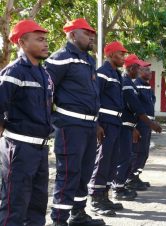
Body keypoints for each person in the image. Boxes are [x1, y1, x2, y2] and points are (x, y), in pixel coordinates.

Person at [45, 18, 104, 226]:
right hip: (70, 126)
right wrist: (52, 121)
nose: (91, 37)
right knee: (68, 173)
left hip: (88, 126)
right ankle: (58, 220)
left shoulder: (88, 60)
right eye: (86, 33)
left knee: (84, 173)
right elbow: (46, 91)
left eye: (92, 34)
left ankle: (78, 214)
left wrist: (96, 123)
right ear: (72, 35)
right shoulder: (60, 58)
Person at [0, 19, 53, 226]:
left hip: (40, 149)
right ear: (22, 43)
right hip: (19, 150)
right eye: (40, 39)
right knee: (15, 205)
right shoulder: (14, 72)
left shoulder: (44, 74)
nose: (46, 43)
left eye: (46, 39)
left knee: (37, 206)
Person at [112, 54, 161, 199]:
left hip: (141, 124)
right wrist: (137, 127)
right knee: (131, 155)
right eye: (142, 68)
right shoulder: (129, 83)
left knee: (141, 154)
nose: (145, 72)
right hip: (137, 125)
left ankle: (132, 178)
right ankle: (125, 182)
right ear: (134, 68)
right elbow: (135, 107)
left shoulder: (135, 84)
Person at [88, 41, 127, 217]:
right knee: (102, 161)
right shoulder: (102, 73)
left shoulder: (117, 74)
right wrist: (96, 124)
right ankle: (95, 199)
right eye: (121, 54)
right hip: (105, 123)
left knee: (111, 161)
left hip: (115, 123)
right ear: (110, 55)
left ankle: (104, 196)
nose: (123, 58)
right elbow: (94, 99)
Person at [126, 62, 162, 190]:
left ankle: (136, 176)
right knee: (136, 152)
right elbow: (133, 108)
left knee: (144, 153)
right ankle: (130, 179)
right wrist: (134, 128)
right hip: (140, 124)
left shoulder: (148, 87)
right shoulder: (136, 86)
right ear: (139, 71)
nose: (149, 72)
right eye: (146, 70)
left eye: (149, 70)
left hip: (148, 125)